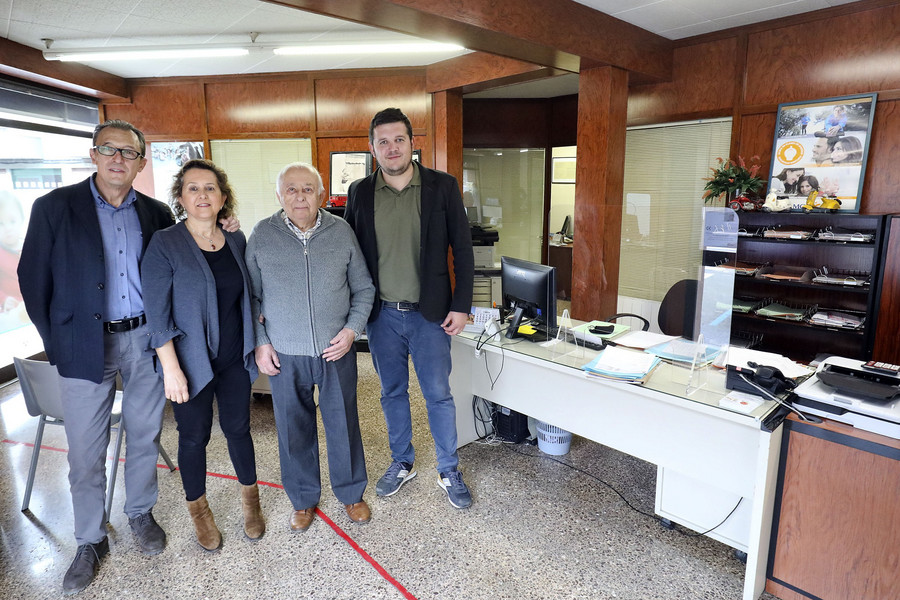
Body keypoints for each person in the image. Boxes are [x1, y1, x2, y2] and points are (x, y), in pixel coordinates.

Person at [17, 120, 238, 595]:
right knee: (85, 449)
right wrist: (57, 343)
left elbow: (191, 248)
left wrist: (225, 225)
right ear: (93, 155)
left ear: (141, 161)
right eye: (108, 150)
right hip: (83, 345)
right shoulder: (54, 208)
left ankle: (140, 514)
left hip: (144, 341)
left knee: (144, 434)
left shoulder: (156, 214)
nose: (118, 159)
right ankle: (90, 539)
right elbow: (33, 281)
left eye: (129, 152)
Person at [344, 107, 475, 509]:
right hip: (382, 316)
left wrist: (462, 305)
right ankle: (402, 461)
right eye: (382, 141)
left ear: (412, 143)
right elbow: (346, 251)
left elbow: (463, 250)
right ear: (372, 148)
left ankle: (448, 468)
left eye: (398, 139)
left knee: (438, 394)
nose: (391, 147)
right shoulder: (360, 192)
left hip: (430, 314)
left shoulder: (442, 186)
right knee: (391, 392)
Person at [140, 159, 263, 552]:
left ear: (223, 197)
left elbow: (247, 295)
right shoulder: (165, 243)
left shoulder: (236, 239)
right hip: (189, 364)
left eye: (210, 188)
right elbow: (156, 315)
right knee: (194, 437)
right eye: (193, 188)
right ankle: (200, 513)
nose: (202, 195)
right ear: (180, 197)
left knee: (238, 430)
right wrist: (171, 369)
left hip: (233, 360)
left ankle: (251, 504)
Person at [246, 162, 374, 532]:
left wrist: (351, 332)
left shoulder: (341, 232)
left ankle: (351, 493)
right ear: (279, 195)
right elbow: (251, 297)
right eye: (291, 189)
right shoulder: (262, 234)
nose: (299, 196)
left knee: (343, 424)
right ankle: (302, 500)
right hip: (285, 353)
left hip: (336, 351)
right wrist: (262, 343)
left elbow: (363, 289)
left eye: (307, 189)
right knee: (293, 428)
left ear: (320, 194)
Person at [0, 191, 27, 326]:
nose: (8, 228)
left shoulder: (30, 246)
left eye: (12, 221)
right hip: (11, 310)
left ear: (21, 220)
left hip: (32, 307)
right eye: (1, 224)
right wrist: (4, 299)